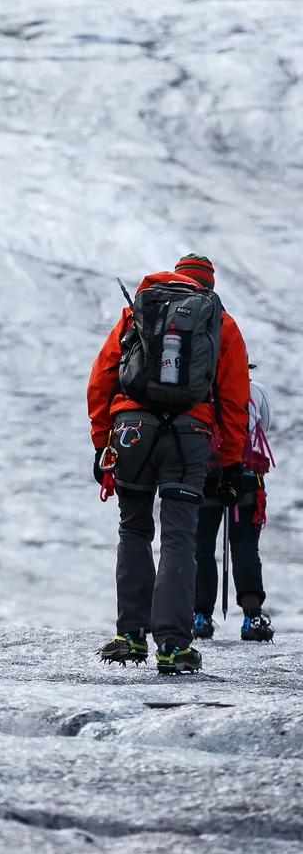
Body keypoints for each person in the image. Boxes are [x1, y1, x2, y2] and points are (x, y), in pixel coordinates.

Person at [88, 254, 249, 673]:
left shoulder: (137, 310)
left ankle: (130, 635)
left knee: (134, 529)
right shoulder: (221, 323)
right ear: (209, 288)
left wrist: (101, 442)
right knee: (180, 536)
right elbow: (234, 400)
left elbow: (102, 377)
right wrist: (231, 463)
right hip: (188, 436)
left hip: (131, 431)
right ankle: (174, 646)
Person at [194, 363, 276, 641]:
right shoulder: (255, 391)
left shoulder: (200, 388)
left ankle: (200, 616)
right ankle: (252, 619)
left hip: (206, 475)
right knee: (244, 547)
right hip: (244, 476)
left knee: (201, 546)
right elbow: (264, 425)